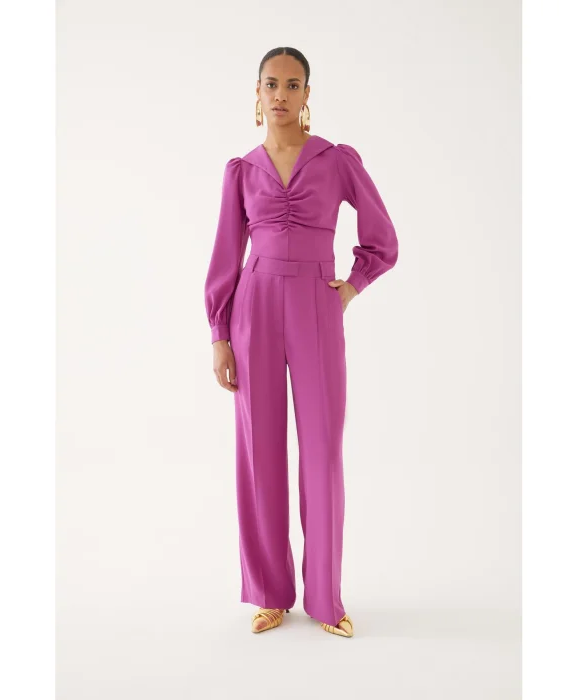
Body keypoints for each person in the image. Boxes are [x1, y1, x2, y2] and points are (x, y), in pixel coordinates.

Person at [203, 47, 399, 637]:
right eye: (271, 84)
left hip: (317, 303)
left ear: (308, 94)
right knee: (259, 452)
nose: (281, 95)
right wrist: (219, 334)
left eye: (292, 85)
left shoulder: (336, 161)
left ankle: (326, 600)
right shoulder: (242, 170)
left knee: (322, 451)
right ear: (257, 92)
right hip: (254, 306)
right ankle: (269, 593)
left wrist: (352, 286)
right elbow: (225, 255)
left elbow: (382, 237)